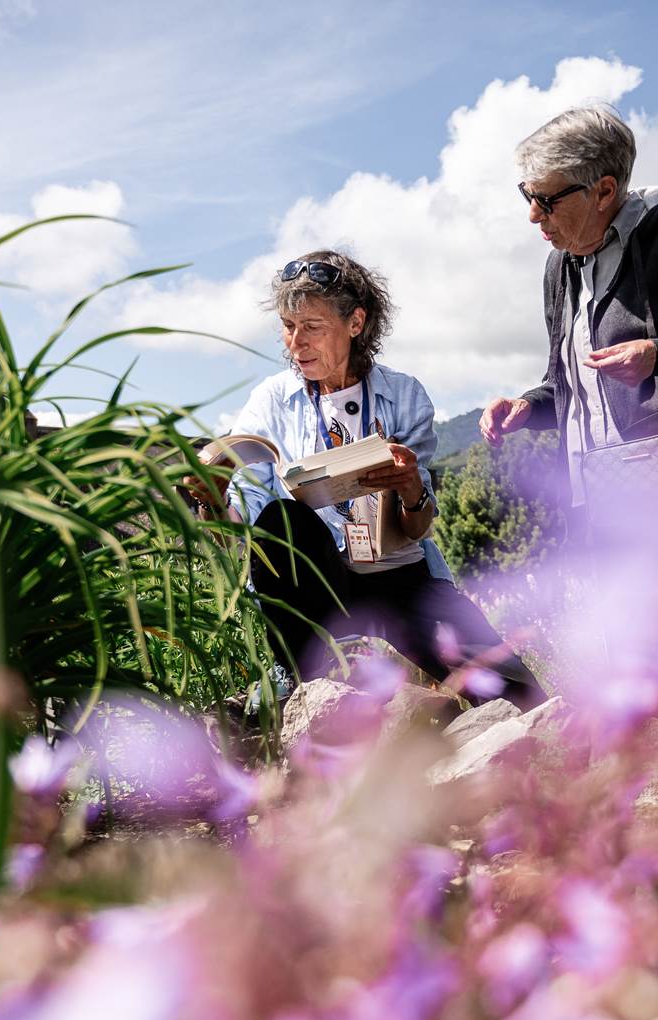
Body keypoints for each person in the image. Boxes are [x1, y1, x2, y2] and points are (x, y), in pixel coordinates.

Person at [478, 106, 658, 716]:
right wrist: (526, 407)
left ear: (605, 189)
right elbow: (570, 384)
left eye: (545, 200)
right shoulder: (560, 266)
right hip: (608, 501)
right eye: (526, 197)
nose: (533, 216)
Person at [199, 250, 543, 708]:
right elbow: (239, 528)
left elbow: (419, 528)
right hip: (318, 583)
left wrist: (409, 487)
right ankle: (299, 678)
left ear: (356, 323)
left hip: (398, 574)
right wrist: (209, 492)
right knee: (282, 519)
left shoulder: (403, 395)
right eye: (287, 326)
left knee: (519, 695)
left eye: (312, 328)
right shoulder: (272, 399)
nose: (295, 343)